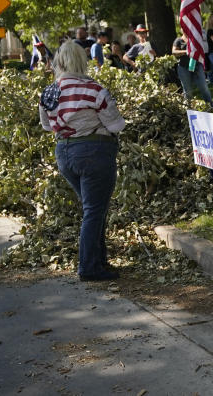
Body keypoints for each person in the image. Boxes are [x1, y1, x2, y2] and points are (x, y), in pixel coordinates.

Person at [39, 41, 125, 281]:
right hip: (95, 151)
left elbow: (47, 126)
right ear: (81, 60)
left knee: (92, 209)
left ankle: (99, 260)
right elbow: (117, 124)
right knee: (94, 211)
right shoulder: (94, 89)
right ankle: (89, 267)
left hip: (64, 154)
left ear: (59, 62)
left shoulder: (48, 92)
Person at [171, 33, 213, 110]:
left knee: (203, 87)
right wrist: (186, 51)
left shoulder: (196, 39)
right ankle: (189, 109)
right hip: (183, 67)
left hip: (197, 65)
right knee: (187, 89)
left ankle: (211, 106)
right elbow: (174, 52)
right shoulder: (178, 40)